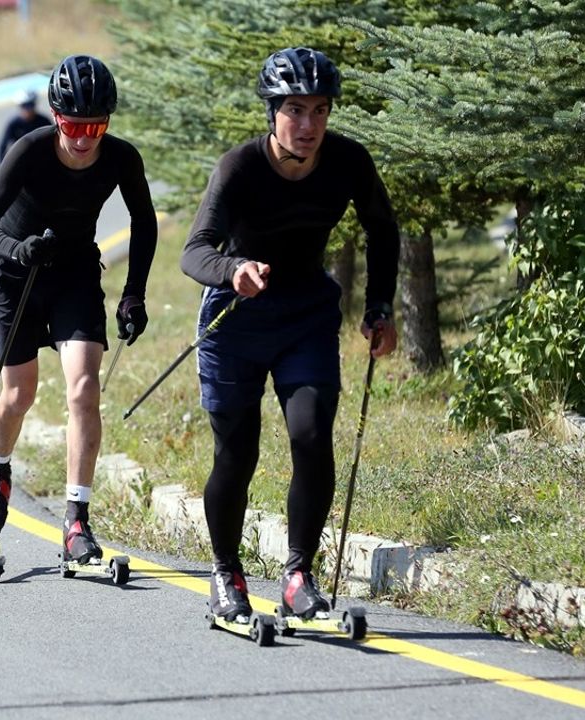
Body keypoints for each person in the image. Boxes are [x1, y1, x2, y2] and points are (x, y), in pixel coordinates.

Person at [180, 47, 400, 622]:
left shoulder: (348, 160)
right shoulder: (239, 168)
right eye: (295, 111)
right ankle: (226, 572)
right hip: (237, 322)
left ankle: (298, 573)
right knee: (237, 452)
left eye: (320, 111)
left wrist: (379, 306)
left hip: (306, 315)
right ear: (272, 112)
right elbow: (195, 252)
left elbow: (382, 228)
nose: (308, 126)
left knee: (310, 435)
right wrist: (235, 270)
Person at [0, 55, 157, 565]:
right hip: (18, 276)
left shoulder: (120, 157)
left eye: (94, 125)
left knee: (84, 388)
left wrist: (133, 293)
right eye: (73, 125)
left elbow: (145, 220)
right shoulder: (29, 151)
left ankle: (76, 520)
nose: (82, 138)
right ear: (56, 118)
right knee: (19, 394)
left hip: (74, 273)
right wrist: (17, 248)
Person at [0, 89, 52, 164]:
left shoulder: (44, 121)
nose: (28, 109)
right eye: (25, 106)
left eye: (31, 105)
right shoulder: (14, 124)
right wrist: (0, 165)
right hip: (20, 160)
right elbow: (3, 145)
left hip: (41, 159)